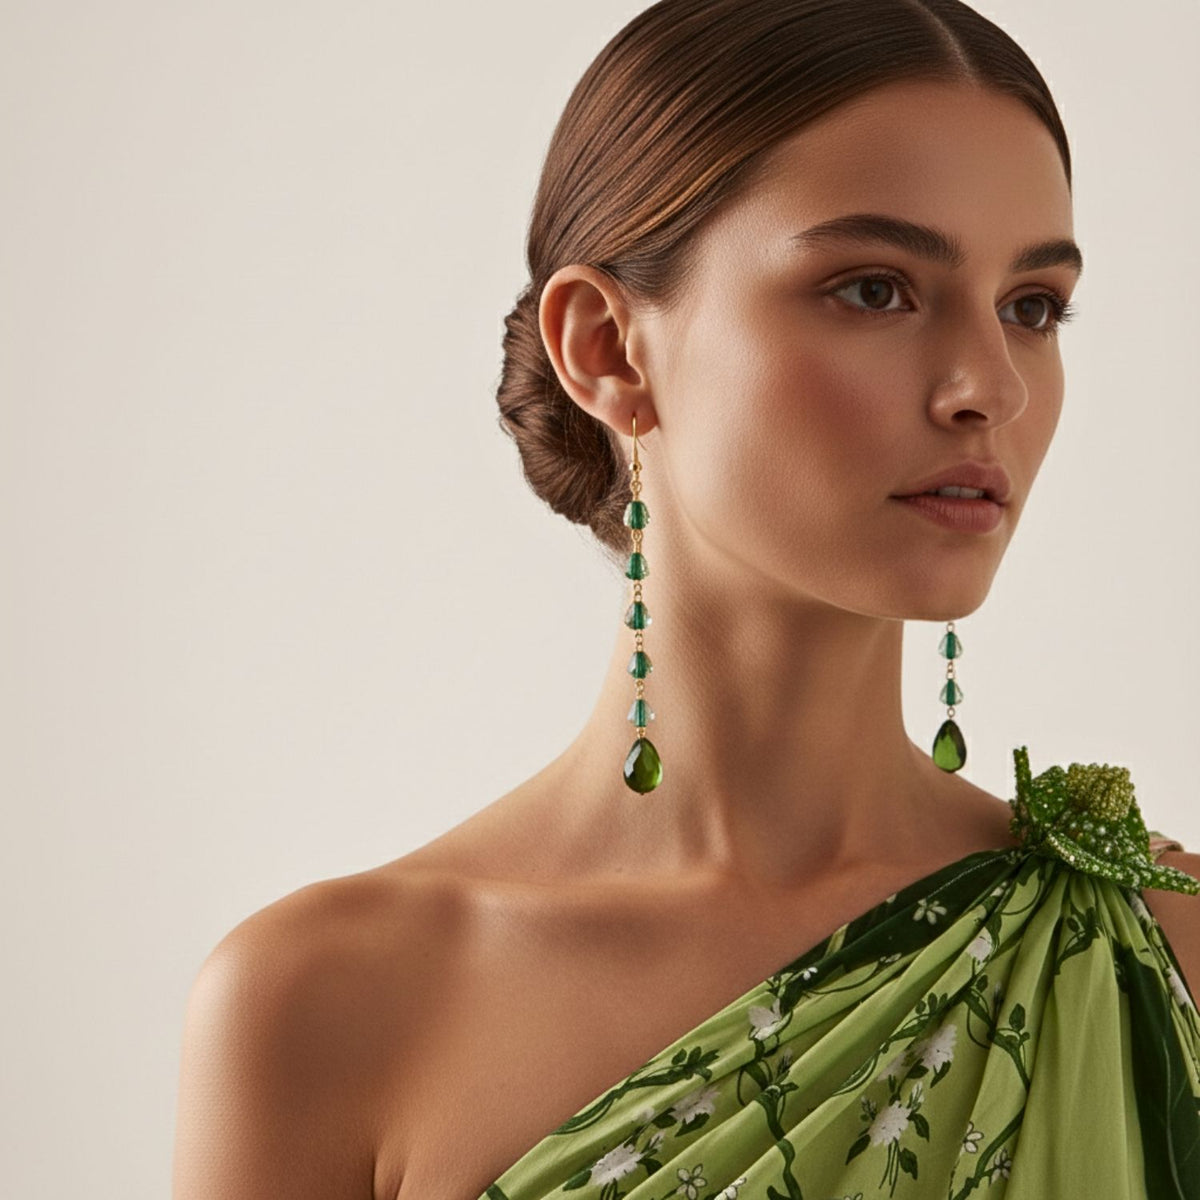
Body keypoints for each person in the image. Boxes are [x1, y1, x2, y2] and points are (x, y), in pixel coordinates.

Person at [170, 1, 1200, 1197]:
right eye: (875, 290)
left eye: (1032, 307)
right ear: (607, 349)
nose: (990, 389)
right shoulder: (332, 1007)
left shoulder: (1157, 955)